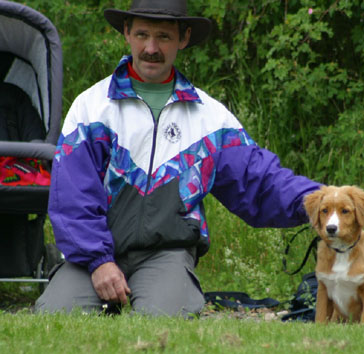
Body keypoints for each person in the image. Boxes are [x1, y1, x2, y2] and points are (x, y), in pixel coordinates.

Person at [35, 0, 321, 317]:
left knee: (165, 321)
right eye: (142, 34)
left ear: (183, 38)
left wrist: (323, 201)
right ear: (127, 33)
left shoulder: (210, 120)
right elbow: (72, 197)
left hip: (165, 254)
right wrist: (100, 261)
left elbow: (260, 182)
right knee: (57, 315)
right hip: (92, 256)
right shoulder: (90, 108)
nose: (151, 48)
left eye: (164, 37)